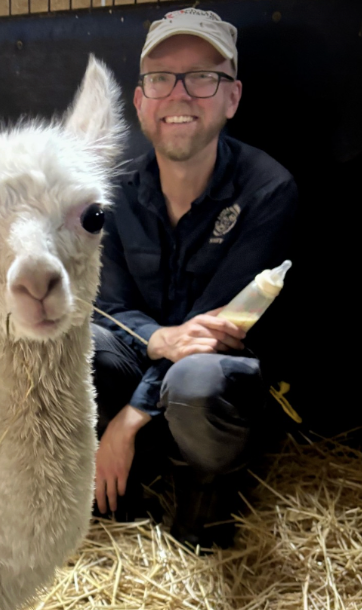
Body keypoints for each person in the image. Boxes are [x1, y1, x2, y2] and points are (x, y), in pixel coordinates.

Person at [92, 8, 298, 548]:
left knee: (197, 377)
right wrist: (158, 338)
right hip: (151, 357)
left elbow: (217, 328)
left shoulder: (267, 190)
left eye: (203, 77)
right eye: (160, 78)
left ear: (232, 97)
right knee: (78, 345)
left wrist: (131, 417)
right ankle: (118, 483)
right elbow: (107, 303)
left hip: (209, 390)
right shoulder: (110, 193)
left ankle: (205, 485)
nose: (179, 94)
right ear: (140, 100)